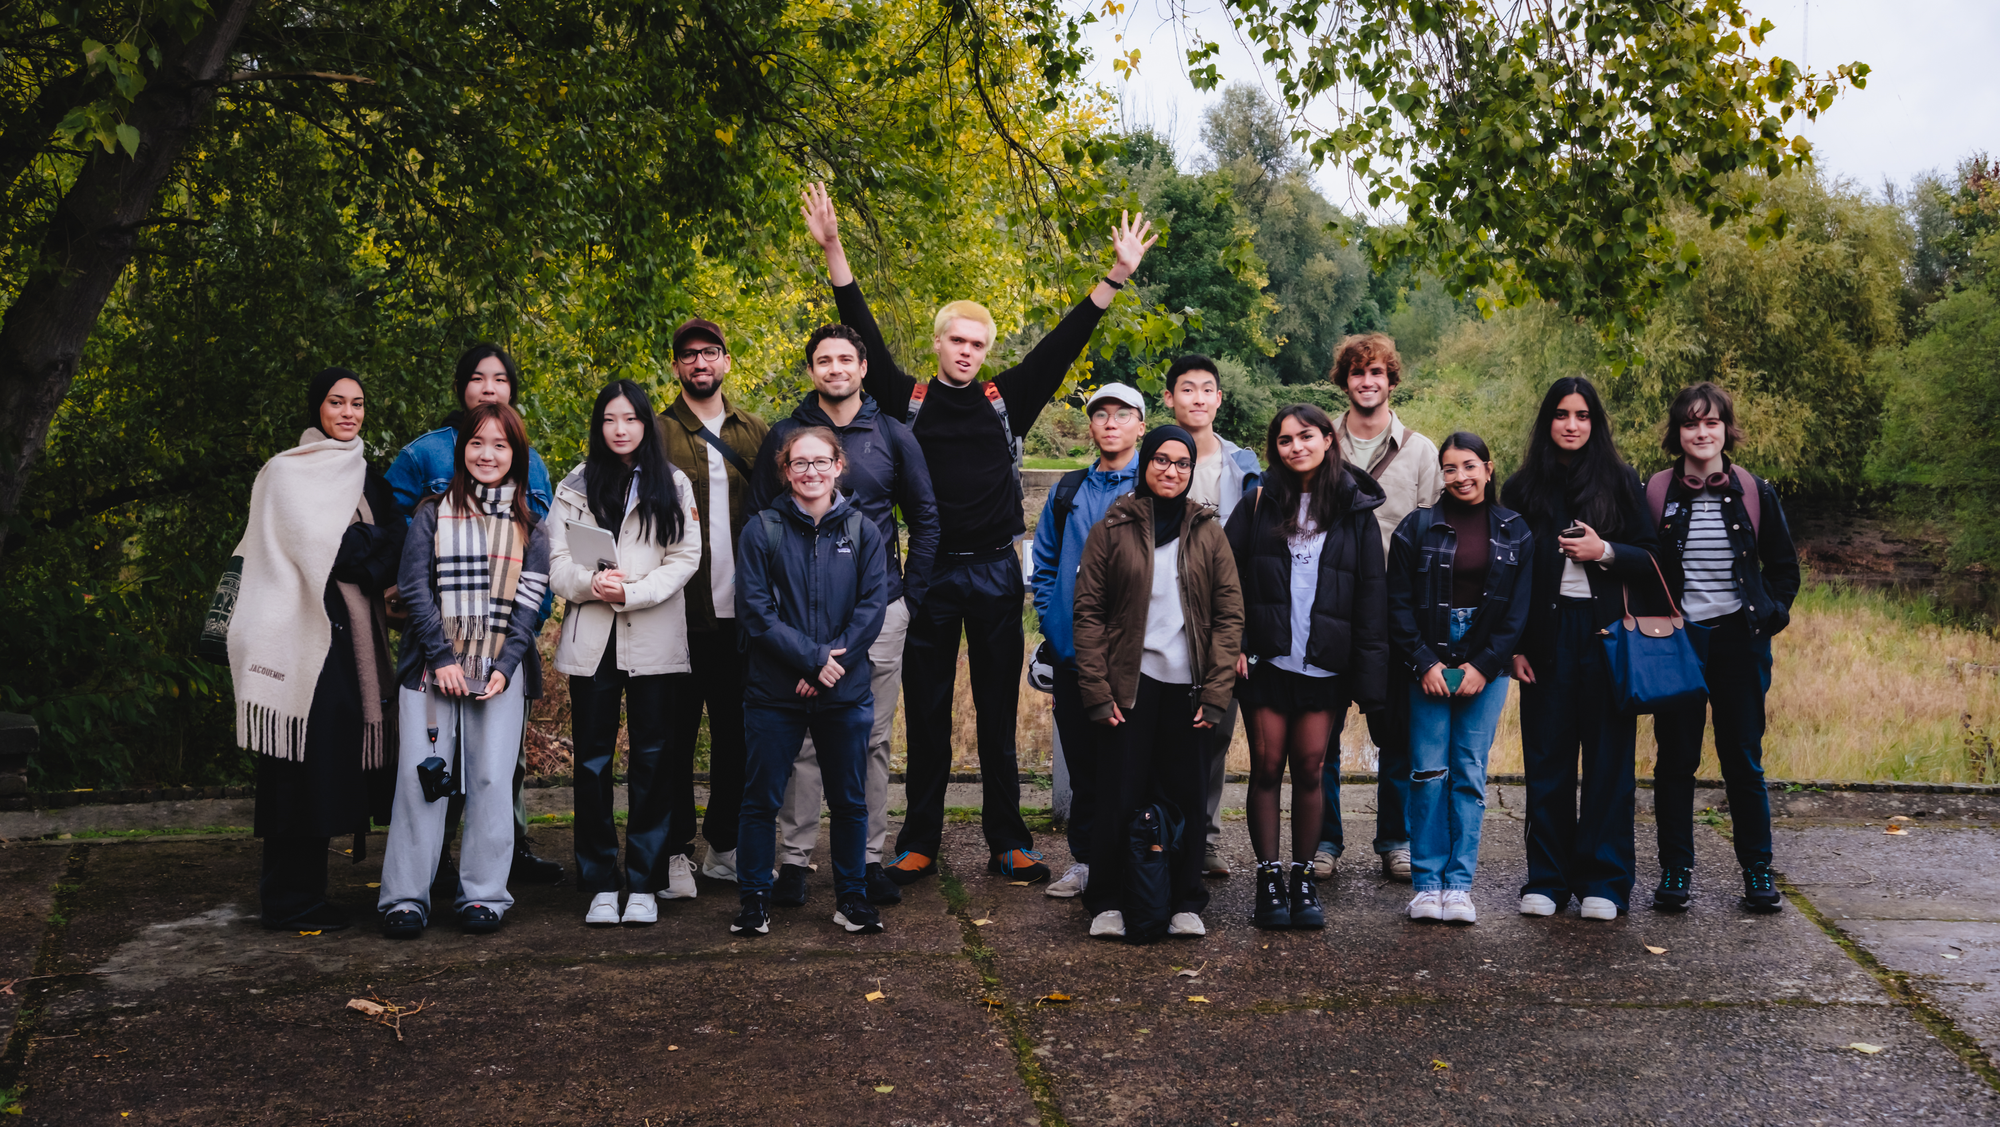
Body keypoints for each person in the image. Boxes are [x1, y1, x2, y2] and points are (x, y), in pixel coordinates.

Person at [803, 181, 1157, 888]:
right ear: (937, 344)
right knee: (928, 716)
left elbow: (1063, 342)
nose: (967, 352)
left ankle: (1009, 839)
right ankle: (920, 841)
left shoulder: (1007, 400)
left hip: (997, 572)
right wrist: (834, 248)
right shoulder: (908, 400)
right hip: (929, 576)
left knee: (997, 713)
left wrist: (1115, 276)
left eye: (978, 343)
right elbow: (861, 328)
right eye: (957, 341)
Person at [750, 324, 940, 909]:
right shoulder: (785, 435)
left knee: (871, 740)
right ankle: (794, 862)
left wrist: (907, 596)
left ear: (862, 367)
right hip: (795, 622)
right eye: (823, 361)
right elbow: (762, 522)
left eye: (845, 360)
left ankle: (867, 858)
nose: (835, 369)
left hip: (875, 616)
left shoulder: (891, 433)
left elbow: (925, 517)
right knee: (801, 743)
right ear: (811, 370)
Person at [226, 368, 403, 931]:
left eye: (357, 403)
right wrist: (365, 550)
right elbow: (332, 552)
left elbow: (392, 542)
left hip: (352, 643)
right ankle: (287, 900)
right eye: (336, 402)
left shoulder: (365, 475)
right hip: (298, 636)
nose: (348, 413)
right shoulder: (285, 472)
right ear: (316, 408)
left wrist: (365, 550)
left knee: (329, 769)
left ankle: (309, 894)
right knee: (295, 771)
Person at [383, 343, 564, 888]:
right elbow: (415, 585)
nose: (488, 454)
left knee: (490, 782)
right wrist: (441, 659)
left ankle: (484, 893)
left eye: (501, 445)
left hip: (500, 670)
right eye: (478, 444)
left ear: (518, 454)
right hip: (432, 669)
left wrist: (508, 664)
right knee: (421, 783)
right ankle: (405, 896)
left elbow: (532, 599)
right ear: (462, 448)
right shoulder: (430, 513)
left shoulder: (531, 522)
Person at [1071, 426, 1242, 940]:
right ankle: (1107, 899)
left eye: (1182, 464)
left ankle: (1185, 900)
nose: (1171, 471)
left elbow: (1229, 615)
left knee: (1186, 796)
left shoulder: (1207, 531)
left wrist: (1215, 693)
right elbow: (1089, 614)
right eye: (1162, 461)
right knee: (1117, 795)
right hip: (1130, 685)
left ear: (1192, 471)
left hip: (1188, 689)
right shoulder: (1112, 529)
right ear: (1145, 463)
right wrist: (1097, 692)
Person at [1501, 377, 1661, 921]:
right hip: (1545, 641)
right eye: (1563, 414)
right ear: (1547, 421)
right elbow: (1508, 576)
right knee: (1547, 762)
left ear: (1596, 423)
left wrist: (1605, 550)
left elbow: (1654, 556)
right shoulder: (1523, 488)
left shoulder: (1620, 481)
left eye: (1583, 415)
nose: (1573, 424)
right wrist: (1515, 646)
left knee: (1609, 763)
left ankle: (1606, 882)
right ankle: (1547, 879)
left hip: (1607, 639)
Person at [1224, 404, 1388, 930]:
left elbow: (1371, 597)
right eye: (1285, 439)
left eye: (1306, 436)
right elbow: (1227, 581)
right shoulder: (1257, 502)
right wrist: (1238, 644)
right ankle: (1268, 879)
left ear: (1327, 439)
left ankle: (1302, 880)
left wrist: (1370, 681)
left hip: (1325, 665)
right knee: (1268, 769)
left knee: (1312, 769)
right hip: (1268, 661)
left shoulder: (1354, 508)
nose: (1296, 446)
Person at [548, 381, 702, 927]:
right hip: (594, 640)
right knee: (591, 763)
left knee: (654, 759)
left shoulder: (672, 482)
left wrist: (631, 591)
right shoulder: (574, 483)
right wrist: (594, 585)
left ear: (645, 425)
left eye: (631, 419)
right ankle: (597, 881)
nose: (620, 429)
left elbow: (686, 557)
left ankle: (645, 881)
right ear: (599, 425)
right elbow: (557, 561)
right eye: (610, 419)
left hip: (653, 635)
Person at [1646, 382, 1800, 914]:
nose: (1702, 432)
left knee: (1743, 760)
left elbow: (1783, 569)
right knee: (1676, 761)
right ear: (1678, 434)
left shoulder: (1756, 491)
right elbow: (1643, 565)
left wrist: (1768, 618)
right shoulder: (1657, 491)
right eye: (1691, 424)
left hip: (1740, 641)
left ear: (1725, 430)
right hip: (1680, 643)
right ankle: (1676, 869)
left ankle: (1757, 870)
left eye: (1711, 423)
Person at [731, 427, 890, 937]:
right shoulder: (763, 529)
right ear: (786, 470)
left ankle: (851, 898)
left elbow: (871, 610)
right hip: (774, 693)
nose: (811, 472)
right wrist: (812, 661)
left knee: (848, 800)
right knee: (760, 800)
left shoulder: (864, 531)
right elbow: (756, 613)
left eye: (821, 462)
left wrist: (827, 670)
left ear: (838, 466)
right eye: (800, 464)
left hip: (844, 692)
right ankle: (754, 899)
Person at [1387, 433, 1534, 925]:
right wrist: (1424, 663)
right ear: (1441, 475)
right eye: (1450, 469)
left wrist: (1484, 666)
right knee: (1428, 773)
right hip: (1425, 659)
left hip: (1484, 662)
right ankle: (1427, 884)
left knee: (1469, 773)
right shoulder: (1417, 528)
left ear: (1489, 469)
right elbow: (1398, 605)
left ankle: (1459, 886)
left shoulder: (1515, 530)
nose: (1461, 477)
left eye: (1469, 466)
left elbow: (1517, 613)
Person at [1319, 334, 1443, 883]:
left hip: (1392, 614)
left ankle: (1395, 840)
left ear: (1392, 381)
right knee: (1319, 734)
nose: (1367, 382)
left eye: (1377, 373)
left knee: (1395, 736)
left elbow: (1436, 538)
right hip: (1325, 609)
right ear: (1344, 380)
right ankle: (1323, 841)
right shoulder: (1318, 443)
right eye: (1357, 373)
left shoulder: (1421, 451)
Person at [657, 317, 769, 886]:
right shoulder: (656, 433)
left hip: (742, 613)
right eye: (689, 356)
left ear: (726, 361)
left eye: (711, 353)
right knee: (673, 737)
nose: (700, 363)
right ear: (676, 366)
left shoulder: (756, 432)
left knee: (737, 734)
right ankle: (675, 848)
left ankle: (724, 844)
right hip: (675, 614)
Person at [1029, 383, 1147, 900]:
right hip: (1074, 653)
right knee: (1083, 764)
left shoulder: (1156, 482)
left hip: (1140, 658)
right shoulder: (1069, 490)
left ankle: (1136, 861)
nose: (1111, 422)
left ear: (1141, 424)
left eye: (1123, 414)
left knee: (1134, 766)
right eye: (1101, 414)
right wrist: (1053, 624)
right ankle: (1085, 861)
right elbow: (1045, 564)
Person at [1159, 356, 1262, 879]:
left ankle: (1206, 838)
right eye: (1186, 389)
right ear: (1169, 399)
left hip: (1224, 613)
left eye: (1207, 390)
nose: (1197, 398)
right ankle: (1158, 837)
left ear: (1220, 399)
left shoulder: (1244, 467)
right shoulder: (1157, 458)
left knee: (1214, 729)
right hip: (1162, 611)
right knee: (1158, 730)